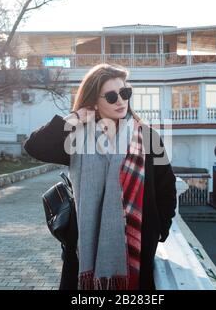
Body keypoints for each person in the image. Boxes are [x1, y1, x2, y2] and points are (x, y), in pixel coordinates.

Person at [23, 64, 177, 290]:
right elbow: (34, 146)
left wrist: (159, 230)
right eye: (112, 96)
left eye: (125, 93)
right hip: (83, 250)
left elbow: (167, 187)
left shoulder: (147, 136)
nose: (121, 101)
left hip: (137, 246)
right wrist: (73, 118)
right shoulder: (76, 137)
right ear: (94, 101)